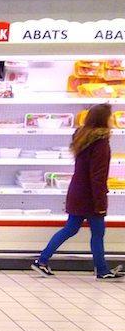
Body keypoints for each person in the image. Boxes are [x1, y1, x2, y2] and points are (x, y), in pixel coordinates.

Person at [31, 103, 121, 279]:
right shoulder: (101, 143)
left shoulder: (83, 137)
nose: (112, 120)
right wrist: (101, 203)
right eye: (110, 117)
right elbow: (98, 176)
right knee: (97, 233)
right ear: (104, 120)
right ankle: (102, 270)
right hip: (91, 196)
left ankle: (42, 260)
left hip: (78, 191)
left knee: (71, 228)